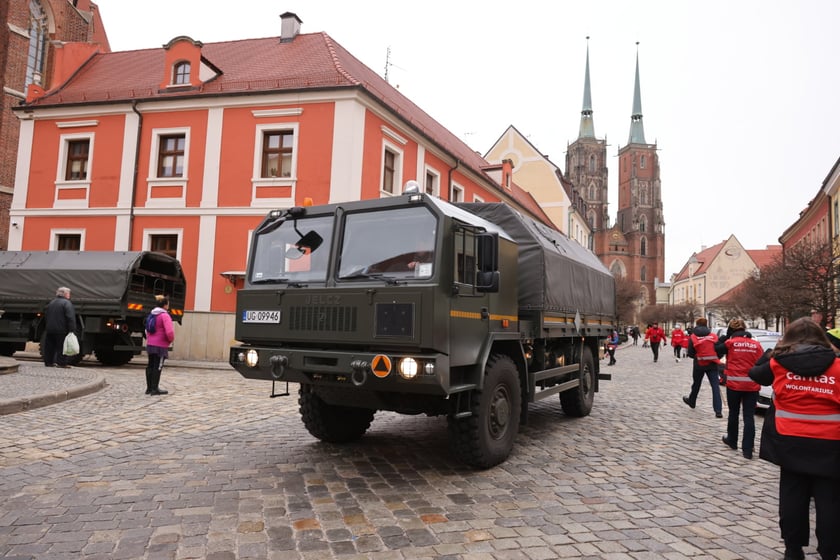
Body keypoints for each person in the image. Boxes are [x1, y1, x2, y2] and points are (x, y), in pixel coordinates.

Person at [748, 318, 840, 560]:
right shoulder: (838, 366)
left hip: (788, 441)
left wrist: (773, 351)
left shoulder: (778, 364)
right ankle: (829, 551)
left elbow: (755, 374)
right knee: (830, 501)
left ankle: (793, 549)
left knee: (792, 498)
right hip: (831, 444)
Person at [715, 318, 764, 459]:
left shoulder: (730, 343)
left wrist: (726, 336)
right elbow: (761, 362)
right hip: (751, 385)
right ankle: (748, 449)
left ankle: (732, 441)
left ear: (732, 330)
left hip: (734, 385)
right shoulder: (756, 344)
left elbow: (716, 349)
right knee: (749, 416)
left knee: (733, 413)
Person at [682, 317, 723, 418]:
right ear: (706, 324)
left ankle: (692, 401)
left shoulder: (693, 336)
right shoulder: (713, 336)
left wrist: (698, 356)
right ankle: (718, 410)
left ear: (697, 324)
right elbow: (719, 349)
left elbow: (690, 353)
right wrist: (716, 358)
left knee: (696, 384)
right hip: (712, 364)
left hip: (699, 364)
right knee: (715, 387)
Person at [145, 295, 175, 396]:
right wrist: (170, 340)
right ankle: (155, 389)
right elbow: (169, 332)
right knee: (158, 366)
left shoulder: (152, 314)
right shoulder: (164, 315)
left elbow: (147, 329)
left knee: (150, 365)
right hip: (160, 346)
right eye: (168, 304)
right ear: (165, 305)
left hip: (150, 344)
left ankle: (149, 388)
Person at [43, 286, 76, 368]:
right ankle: (61, 363)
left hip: (50, 329)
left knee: (50, 347)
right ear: (65, 294)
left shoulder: (51, 302)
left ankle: (48, 362)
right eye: (69, 293)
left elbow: (46, 315)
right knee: (62, 347)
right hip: (61, 329)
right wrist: (72, 329)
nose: (69, 295)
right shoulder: (67, 303)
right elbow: (70, 317)